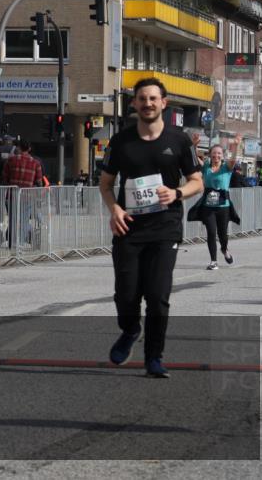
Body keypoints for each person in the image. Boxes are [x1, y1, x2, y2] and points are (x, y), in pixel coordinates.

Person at [99, 78, 203, 378]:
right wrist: (115, 208)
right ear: (134, 104)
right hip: (128, 229)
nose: (147, 104)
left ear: (164, 103)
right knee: (126, 295)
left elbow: (197, 181)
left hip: (164, 228)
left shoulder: (179, 140)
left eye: (153, 99)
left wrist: (178, 193)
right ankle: (131, 330)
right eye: (142, 99)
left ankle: (154, 357)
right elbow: (106, 184)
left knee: (157, 297)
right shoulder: (121, 141)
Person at [190, 142, 240, 270]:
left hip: (223, 207)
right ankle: (213, 261)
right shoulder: (206, 166)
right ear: (210, 155)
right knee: (211, 233)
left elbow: (233, 160)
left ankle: (224, 249)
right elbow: (195, 158)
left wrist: (235, 147)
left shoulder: (226, 168)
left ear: (222, 156)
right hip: (208, 206)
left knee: (223, 234)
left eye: (219, 153)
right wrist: (194, 146)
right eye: (214, 153)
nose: (216, 155)